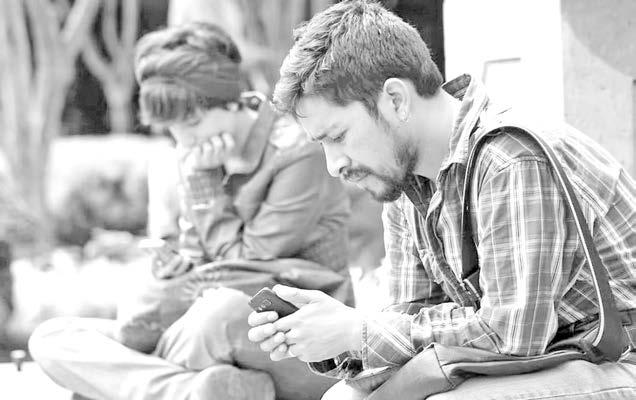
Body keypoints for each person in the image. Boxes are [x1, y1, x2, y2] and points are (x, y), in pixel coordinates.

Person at [247, 1, 636, 399]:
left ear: (396, 99)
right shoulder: (404, 185)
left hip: (614, 360)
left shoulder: (509, 158)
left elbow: (512, 335)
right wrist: (327, 334)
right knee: (344, 398)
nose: (334, 165)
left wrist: (356, 331)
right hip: (545, 360)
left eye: (338, 136)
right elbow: (409, 322)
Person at [29, 22, 352, 400]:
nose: (185, 139)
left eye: (193, 121)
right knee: (54, 337)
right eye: (172, 128)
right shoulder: (193, 156)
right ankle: (196, 389)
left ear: (230, 99)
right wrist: (177, 268)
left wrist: (205, 189)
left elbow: (249, 262)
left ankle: (125, 386)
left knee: (219, 313)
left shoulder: (298, 152)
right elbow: (200, 259)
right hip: (200, 330)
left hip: (291, 340)